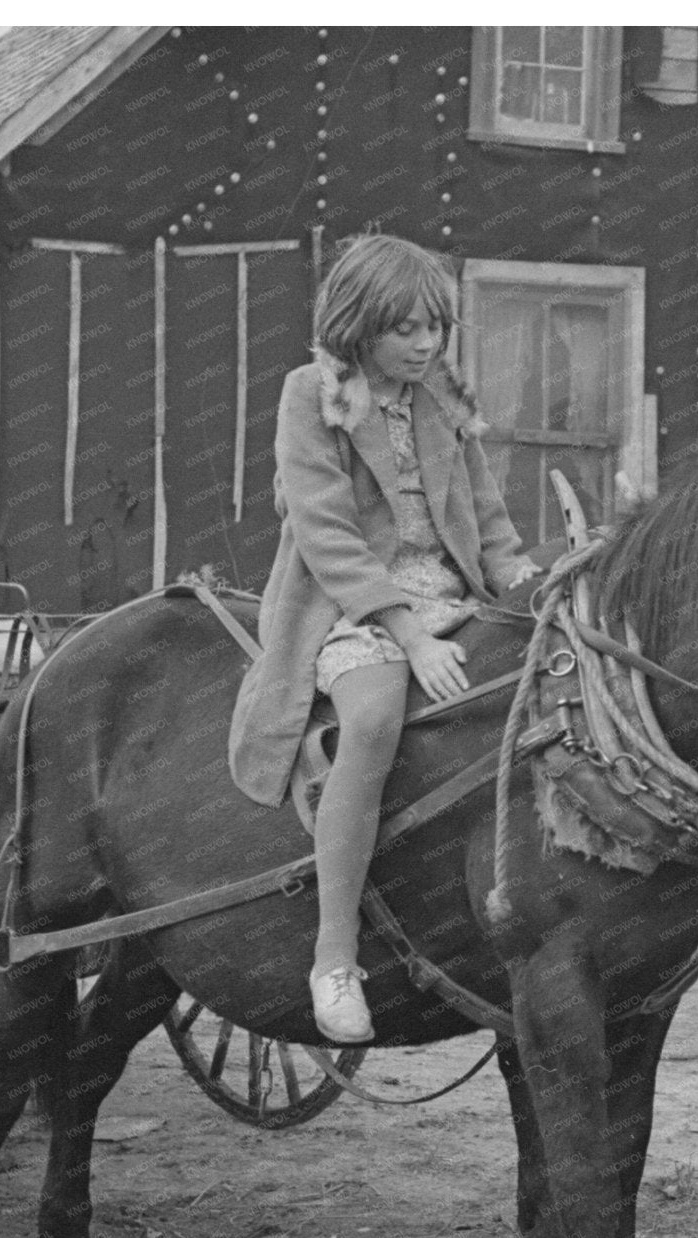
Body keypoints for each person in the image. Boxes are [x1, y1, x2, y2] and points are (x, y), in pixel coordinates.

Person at [228, 233, 539, 1043]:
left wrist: (530, 585)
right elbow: (326, 533)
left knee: (545, 687)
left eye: (436, 325)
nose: (426, 343)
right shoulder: (313, 394)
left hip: (451, 595)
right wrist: (407, 634)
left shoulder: (440, 396)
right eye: (405, 328)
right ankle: (335, 955)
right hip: (348, 604)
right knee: (371, 717)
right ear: (359, 324)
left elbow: (488, 518)